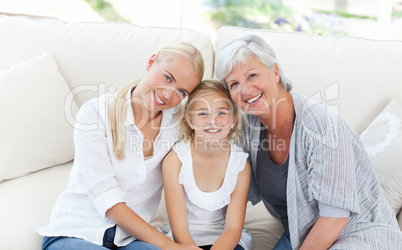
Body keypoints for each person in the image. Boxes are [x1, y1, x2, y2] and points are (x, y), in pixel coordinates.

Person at [215, 34, 402, 250]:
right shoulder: (248, 127)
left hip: (357, 235)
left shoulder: (322, 125)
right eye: (234, 84)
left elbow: (335, 219)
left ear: (275, 72)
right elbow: (227, 188)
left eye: (252, 75)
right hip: (300, 235)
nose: (245, 90)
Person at [38, 41, 205, 250]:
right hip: (76, 234)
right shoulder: (95, 113)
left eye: (181, 91)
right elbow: (106, 196)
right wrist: (169, 246)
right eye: (167, 77)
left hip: (129, 241)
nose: (168, 94)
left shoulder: (178, 125)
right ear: (151, 62)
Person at [159, 80, 253, 250]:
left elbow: (233, 229)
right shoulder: (175, 161)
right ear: (189, 119)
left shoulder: (240, 165)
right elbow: (179, 229)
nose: (213, 121)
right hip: (182, 241)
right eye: (202, 113)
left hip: (225, 240)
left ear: (233, 120)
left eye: (221, 113)